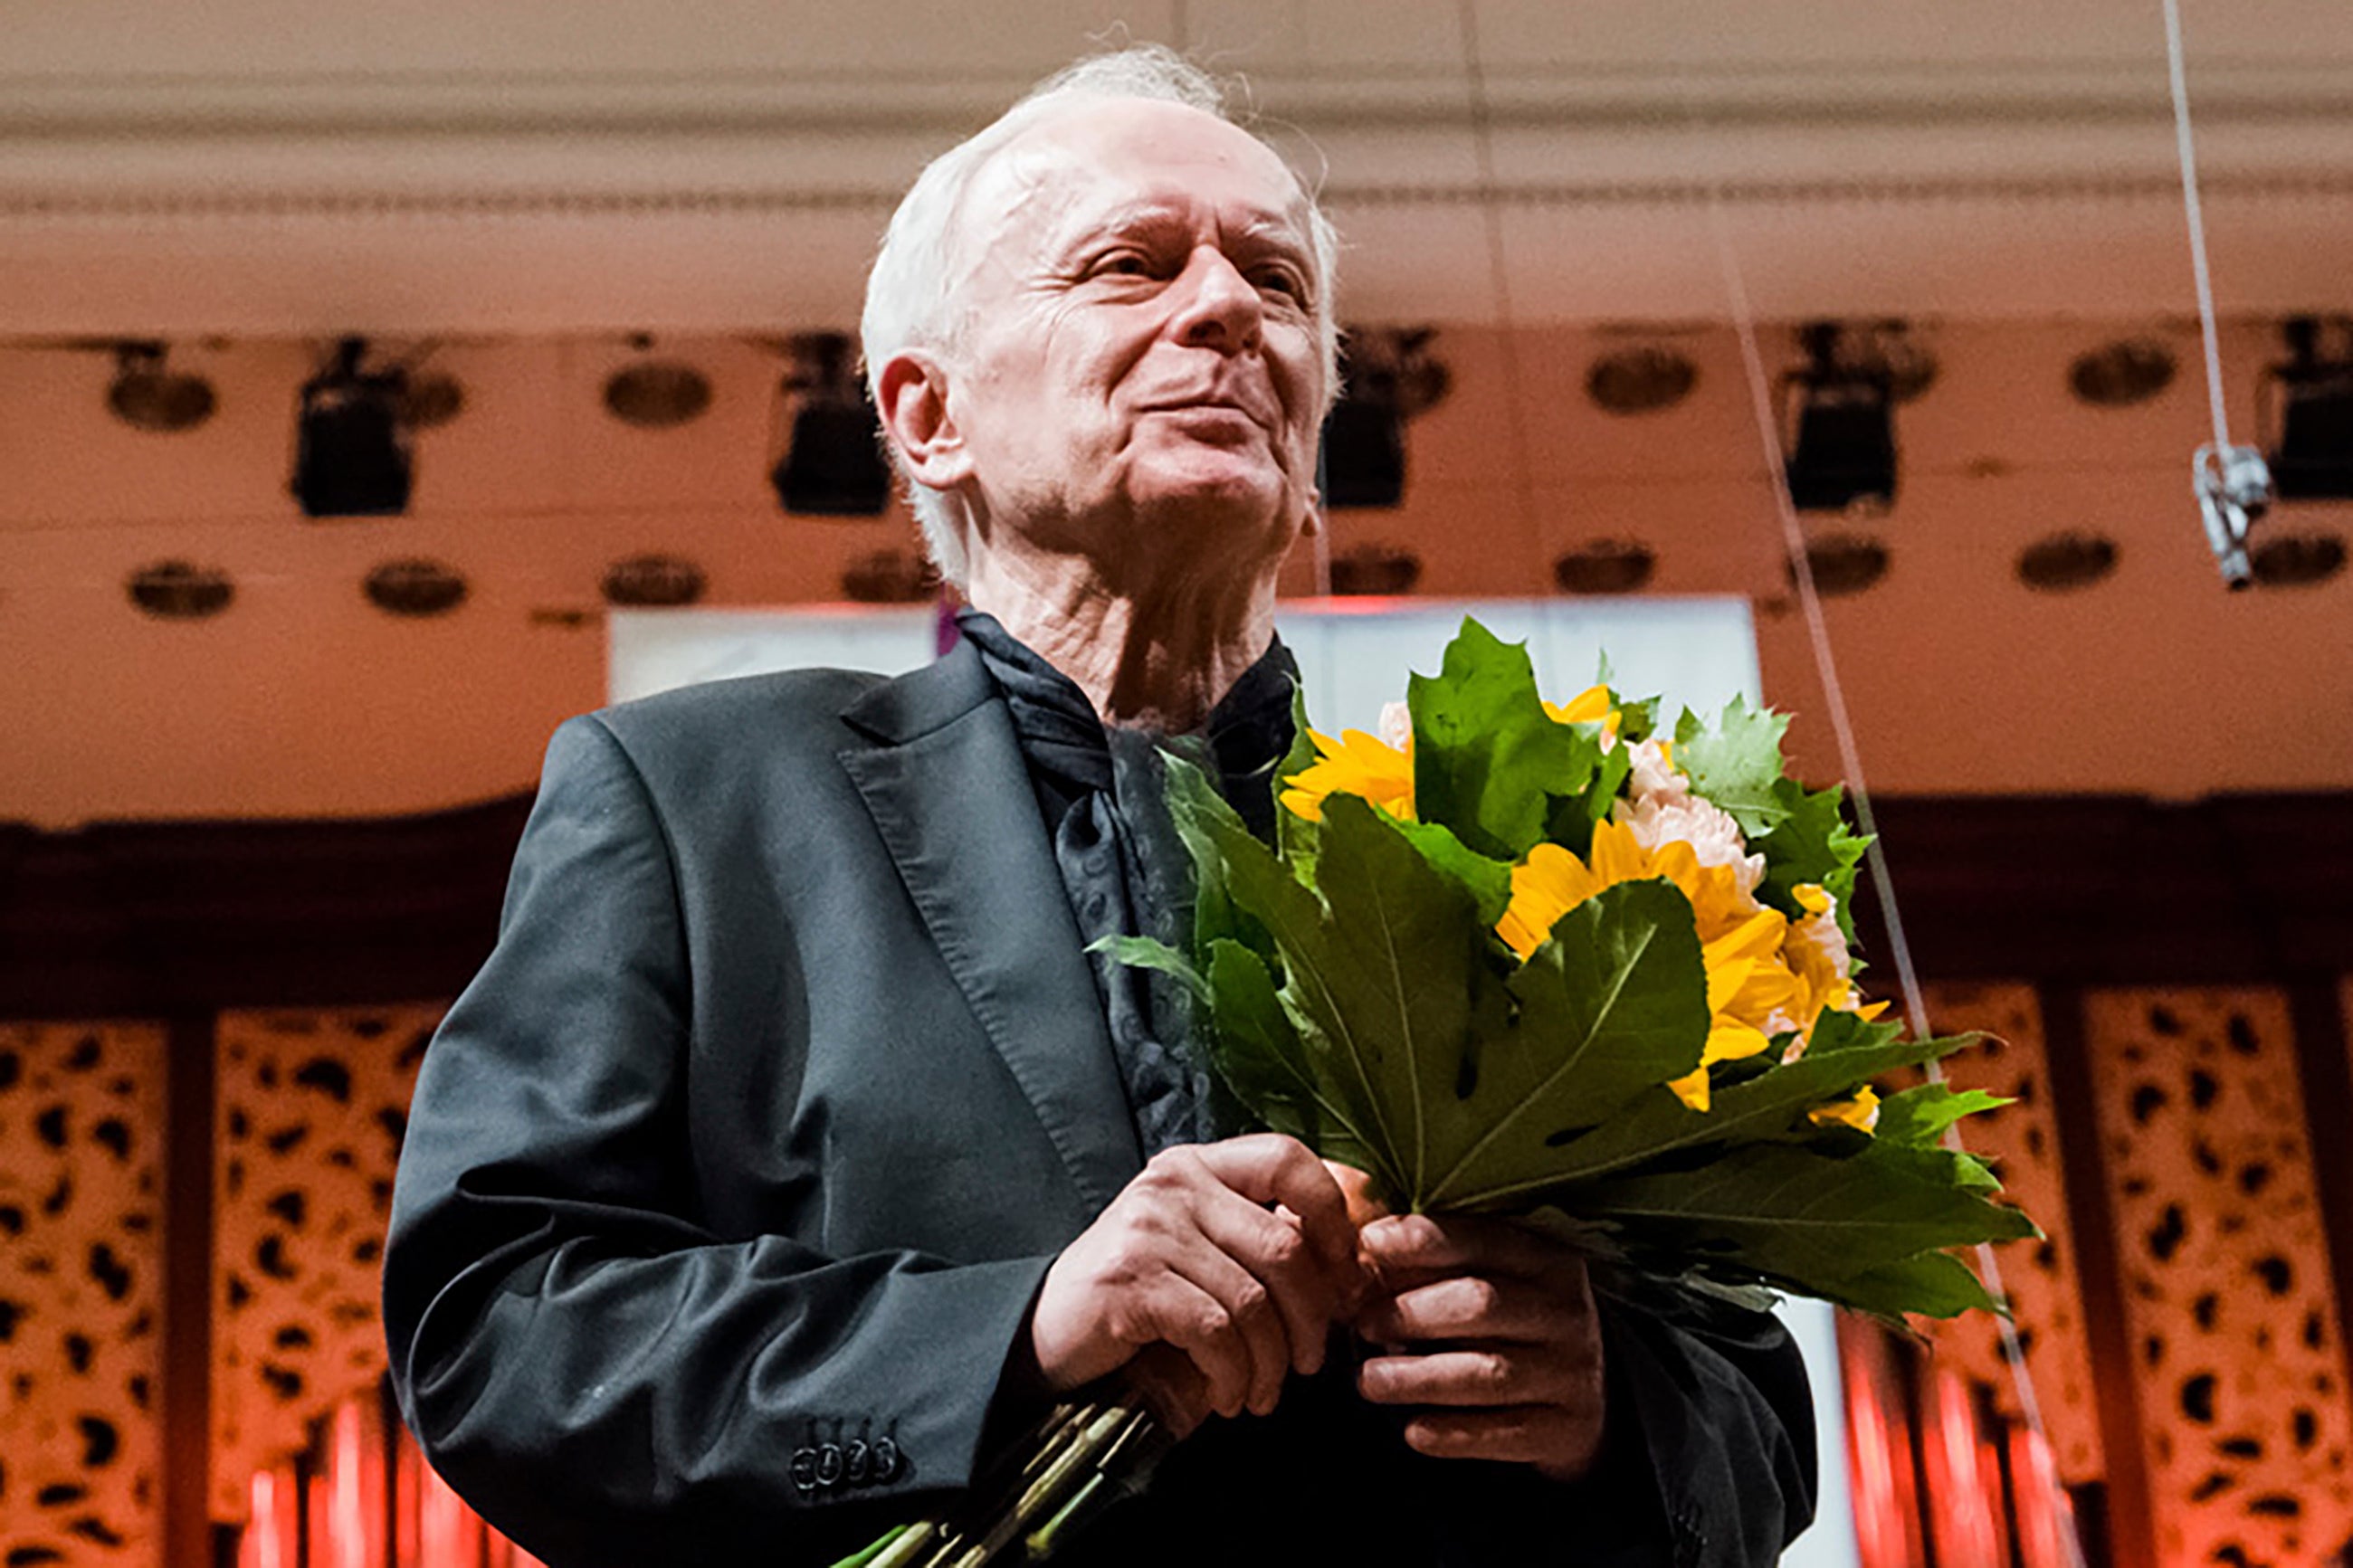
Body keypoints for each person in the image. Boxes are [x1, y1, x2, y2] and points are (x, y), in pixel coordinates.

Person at [383, 46, 1815, 1568]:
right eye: (1131, 266)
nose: (1226, 313)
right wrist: (1016, 1327)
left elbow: (1758, 1417)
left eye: (1277, 282)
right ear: (929, 414)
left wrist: (1608, 1400)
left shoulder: (1500, 846)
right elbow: (502, 1330)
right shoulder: (691, 797)